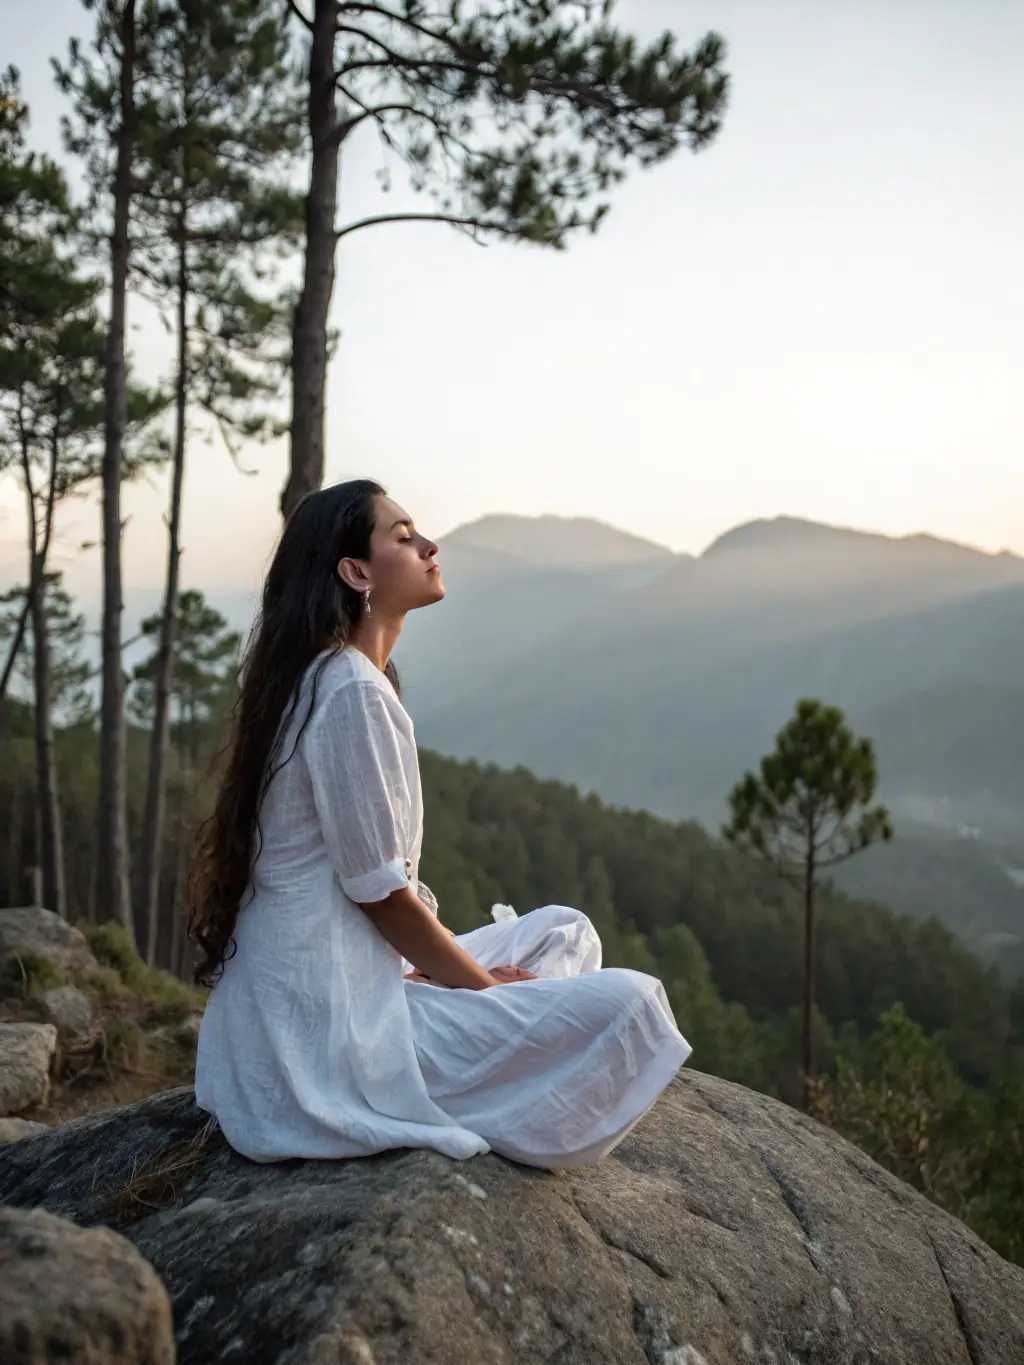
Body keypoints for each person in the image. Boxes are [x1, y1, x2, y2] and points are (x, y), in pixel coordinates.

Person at [189, 479, 691, 1168]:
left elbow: (367, 901)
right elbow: (382, 897)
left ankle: (479, 1043)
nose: (429, 546)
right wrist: (484, 990)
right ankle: (485, 1081)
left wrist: (440, 977)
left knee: (565, 931)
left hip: (344, 994)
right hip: (324, 1040)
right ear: (355, 572)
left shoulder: (342, 680)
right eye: (402, 536)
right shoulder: (348, 693)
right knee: (634, 1005)